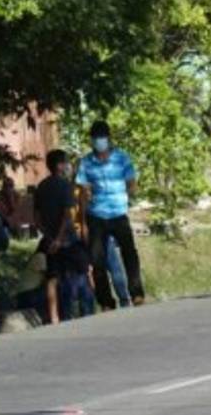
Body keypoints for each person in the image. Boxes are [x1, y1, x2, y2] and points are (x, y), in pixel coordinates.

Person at [75, 120, 145, 308]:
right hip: (96, 215)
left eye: (102, 138)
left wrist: (127, 197)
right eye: (96, 138)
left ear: (108, 138)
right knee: (97, 260)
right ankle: (106, 301)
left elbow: (131, 183)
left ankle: (137, 293)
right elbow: (82, 192)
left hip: (119, 213)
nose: (99, 142)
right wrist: (82, 222)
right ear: (92, 140)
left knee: (129, 254)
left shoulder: (122, 158)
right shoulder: (86, 162)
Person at [35, 150, 91, 323]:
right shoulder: (65, 186)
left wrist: (49, 237)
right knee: (81, 272)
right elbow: (68, 216)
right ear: (59, 165)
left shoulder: (41, 186)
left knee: (52, 278)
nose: (68, 166)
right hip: (67, 240)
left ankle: (54, 317)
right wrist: (59, 239)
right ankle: (84, 312)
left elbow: (36, 217)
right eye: (66, 162)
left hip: (49, 240)